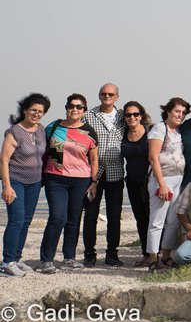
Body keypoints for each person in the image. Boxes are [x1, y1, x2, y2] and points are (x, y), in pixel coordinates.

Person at [39, 94, 99, 274]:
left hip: (81, 180)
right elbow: (39, 148)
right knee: (57, 217)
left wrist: (94, 181)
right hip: (55, 178)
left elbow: (94, 159)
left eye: (79, 107)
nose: (75, 109)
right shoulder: (53, 127)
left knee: (73, 220)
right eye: (71, 106)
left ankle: (69, 258)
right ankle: (46, 260)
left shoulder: (89, 131)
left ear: (84, 111)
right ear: (66, 108)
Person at [1, 93, 50, 277]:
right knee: (16, 220)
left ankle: (16, 258)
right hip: (16, 182)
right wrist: (7, 186)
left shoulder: (41, 129)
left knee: (26, 221)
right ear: (25, 110)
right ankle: (7, 262)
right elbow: (4, 161)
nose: (36, 114)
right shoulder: (14, 132)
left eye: (40, 111)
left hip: (35, 182)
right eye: (33, 110)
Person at [82, 83, 125, 268]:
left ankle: (112, 254)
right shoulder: (89, 115)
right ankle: (89, 254)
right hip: (93, 173)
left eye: (110, 94)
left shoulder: (124, 116)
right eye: (103, 93)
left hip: (116, 173)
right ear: (99, 95)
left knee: (114, 216)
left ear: (117, 97)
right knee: (90, 215)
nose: (107, 96)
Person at [145, 97, 189, 272]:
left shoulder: (178, 130)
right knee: (157, 220)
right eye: (177, 111)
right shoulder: (159, 128)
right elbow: (153, 157)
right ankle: (152, 258)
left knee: (173, 221)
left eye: (183, 113)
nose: (180, 115)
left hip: (178, 179)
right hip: (161, 180)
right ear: (169, 111)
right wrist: (162, 184)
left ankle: (166, 255)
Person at [121, 101, 152, 267]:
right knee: (141, 219)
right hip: (133, 183)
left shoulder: (151, 131)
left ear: (141, 116)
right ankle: (146, 254)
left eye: (135, 114)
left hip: (151, 182)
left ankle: (157, 254)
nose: (132, 117)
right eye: (128, 114)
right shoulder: (122, 134)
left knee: (154, 219)